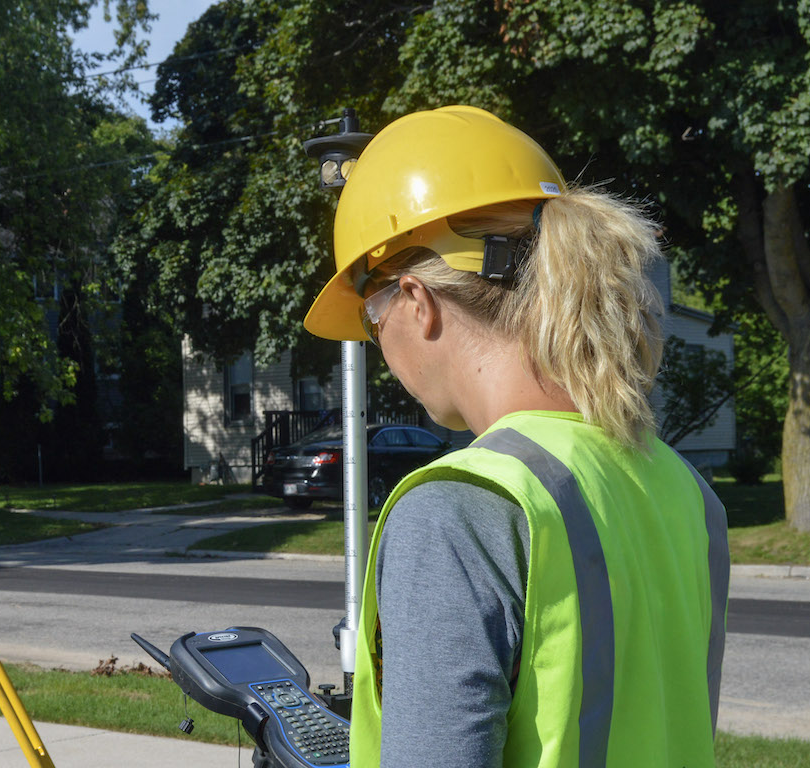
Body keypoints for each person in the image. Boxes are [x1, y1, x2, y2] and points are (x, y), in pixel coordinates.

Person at [302, 105, 729, 767]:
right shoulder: (684, 490)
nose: (376, 343)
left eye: (370, 316)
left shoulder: (456, 509)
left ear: (416, 301)